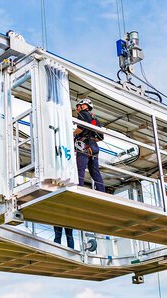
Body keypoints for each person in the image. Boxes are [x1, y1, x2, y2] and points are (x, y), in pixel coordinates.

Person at [53, 98, 105, 249]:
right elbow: (100, 136)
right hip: (94, 146)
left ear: (85, 106)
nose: (78, 107)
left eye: (80, 105)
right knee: (95, 172)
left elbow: (81, 128)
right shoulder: (95, 119)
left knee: (80, 169)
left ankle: (80, 187)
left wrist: (71, 134)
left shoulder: (84, 114)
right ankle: (101, 191)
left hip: (84, 145)